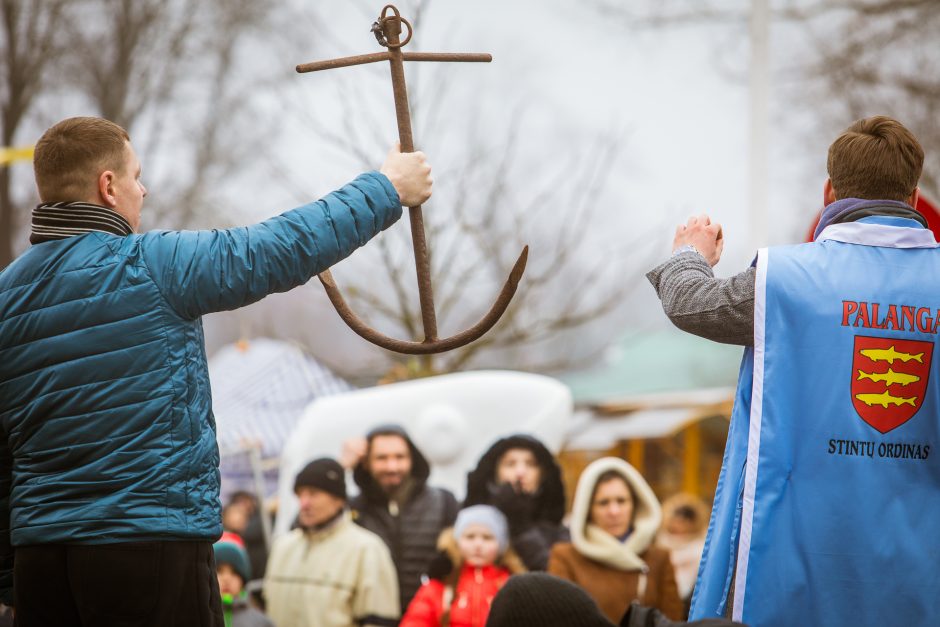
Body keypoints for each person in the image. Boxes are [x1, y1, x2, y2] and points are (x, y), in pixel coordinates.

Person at [0, 116, 432, 626]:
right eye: (136, 175)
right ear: (108, 186)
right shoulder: (149, 264)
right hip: (148, 544)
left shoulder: (7, 294)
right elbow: (272, 249)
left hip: (40, 560)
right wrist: (385, 190)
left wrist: (11, 579)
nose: (145, 189)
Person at [648, 116, 940, 625]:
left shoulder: (783, 279)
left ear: (829, 192)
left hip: (793, 559)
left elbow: (690, 303)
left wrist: (691, 254)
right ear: (914, 197)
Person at [264, 458, 399, 627]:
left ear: (338, 500)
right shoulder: (283, 547)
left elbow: (380, 621)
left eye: (313, 494)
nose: (304, 503)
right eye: (300, 494)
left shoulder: (367, 549)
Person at [548, 457, 682, 622]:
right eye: (603, 503)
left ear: (635, 504)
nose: (614, 511)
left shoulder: (659, 559)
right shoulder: (566, 557)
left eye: (621, 501)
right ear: (588, 508)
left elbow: (672, 621)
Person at [345, 424, 459, 612]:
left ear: (412, 459)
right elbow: (306, 530)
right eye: (382, 458)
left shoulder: (444, 502)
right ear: (365, 463)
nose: (392, 466)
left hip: (429, 619)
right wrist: (340, 468)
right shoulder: (352, 508)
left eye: (400, 457)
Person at [400, 505, 524, 627]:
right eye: (470, 537)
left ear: (501, 545)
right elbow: (416, 620)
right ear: (457, 541)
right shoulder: (441, 584)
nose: (478, 544)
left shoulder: (511, 585)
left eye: (487, 538)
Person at [463, 434, 568, 571]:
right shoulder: (468, 520)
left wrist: (521, 526)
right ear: (495, 472)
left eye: (531, 464)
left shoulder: (558, 533)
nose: (520, 472)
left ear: (543, 474)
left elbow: (554, 574)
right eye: (510, 464)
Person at [655, 493, 708, 619]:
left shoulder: (704, 551)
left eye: (686, 520)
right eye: (677, 519)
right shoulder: (657, 548)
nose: (680, 525)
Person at [213, 532, 275, 627]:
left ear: (243, 580)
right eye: (220, 571)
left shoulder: (261, 623)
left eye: (234, 572)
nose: (226, 578)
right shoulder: (195, 618)